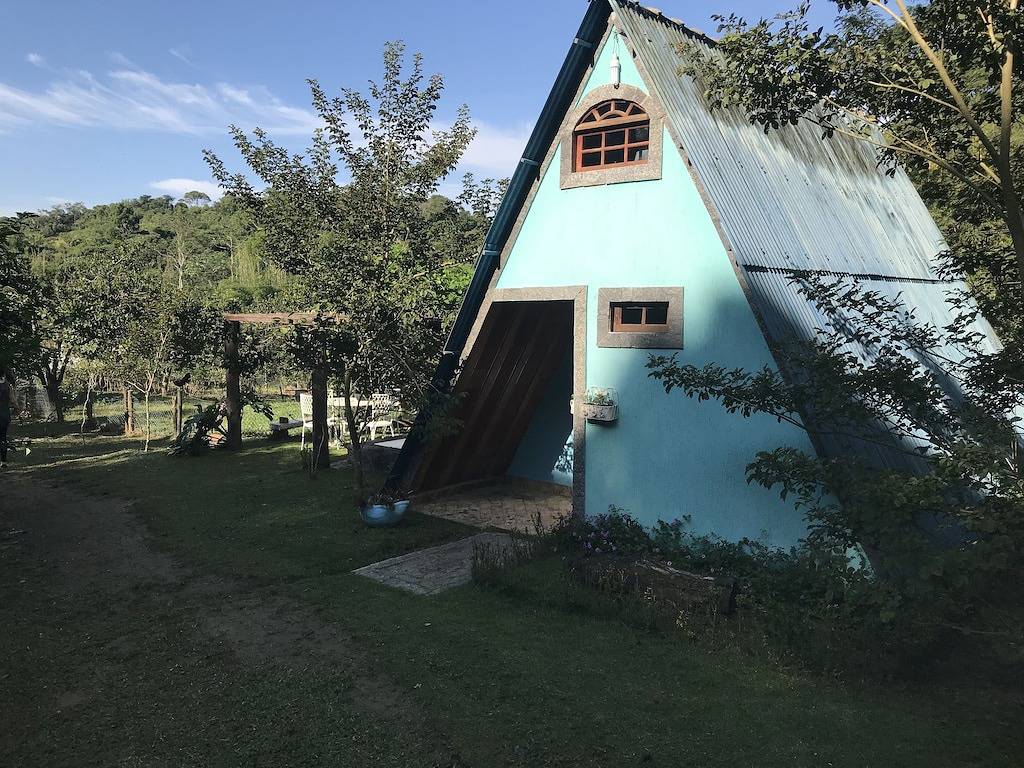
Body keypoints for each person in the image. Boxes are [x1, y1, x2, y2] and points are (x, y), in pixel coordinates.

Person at [0, 372, 13, 468]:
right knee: (3, 438)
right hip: (4, 415)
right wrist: (17, 408)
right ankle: (3, 462)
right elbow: (13, 400)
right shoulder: (8, 386)